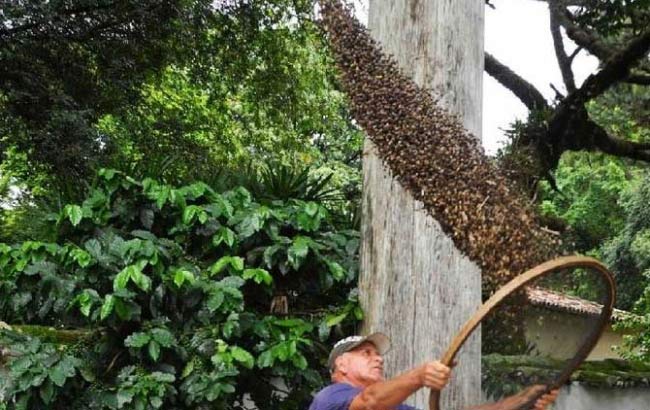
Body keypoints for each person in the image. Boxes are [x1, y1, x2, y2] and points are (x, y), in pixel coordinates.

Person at [308, 333, 559, 410]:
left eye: (378, 353)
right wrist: (419, 376)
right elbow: (368, 401)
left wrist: (518, 401)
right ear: (341, 364)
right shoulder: (329, 399)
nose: (379, 359)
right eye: (367, 353)